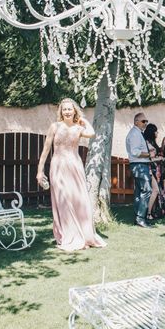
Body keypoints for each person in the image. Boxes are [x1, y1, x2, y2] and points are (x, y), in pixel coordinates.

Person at [37, 98, 106, 250]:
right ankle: (69, 236)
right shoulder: (54, 127)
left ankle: (84, 236)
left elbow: (92, 133)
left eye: (70, 109)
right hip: (58, 167)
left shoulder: (78, 128)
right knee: (63, 201)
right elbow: (46, 150)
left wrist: (83, 120)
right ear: (61, 112)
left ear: (74, 111)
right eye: (64, 109)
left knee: (79, 200)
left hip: (75, 166)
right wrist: (40, 170)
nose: (67, 112)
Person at [125, 112, 155, 228]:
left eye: (146, 121)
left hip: (139, 165)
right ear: (136, 122)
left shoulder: (138, 133)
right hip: (139, 165)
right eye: (143, 121)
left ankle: (138, 218)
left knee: (139, 192)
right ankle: (141, 219)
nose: (145, 123)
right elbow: (135, 152)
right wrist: (149, 154)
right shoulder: (135, 134)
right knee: (147, 190)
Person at [143, 123, 165, 220]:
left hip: (155, 169)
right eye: (156, 131)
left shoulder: (152, 142)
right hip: (150, 169)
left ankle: (151, 211)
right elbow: (150, 159)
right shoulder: (147, 143)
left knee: (155, 191)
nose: (157, 133)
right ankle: (147, 213)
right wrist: (159, 158)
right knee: (155, 190)